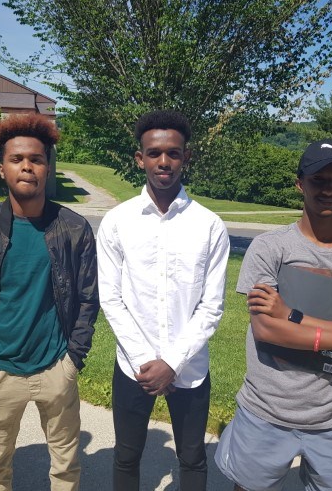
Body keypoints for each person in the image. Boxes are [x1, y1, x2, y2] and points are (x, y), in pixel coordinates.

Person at [215, 139, 332, 491]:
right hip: (265, 410)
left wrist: (292, 315)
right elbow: (267, 330)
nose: (329, 189)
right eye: (319, 180)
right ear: (300, 184)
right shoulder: (270, 247)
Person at [0, 113, 98, 491]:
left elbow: (88, 298)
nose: (26, 167)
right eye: (16, 159)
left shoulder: (74, 228)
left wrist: (73, 359)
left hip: (56, 368)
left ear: (48, 168)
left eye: (36, 159)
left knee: (66, 464)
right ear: (1, 167)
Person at [97, 110, 230, 490]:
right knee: (126, 456)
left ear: (186, 157)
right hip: (133, 366)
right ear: (140, 159)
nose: (164, 161)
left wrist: (171, 363)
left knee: (192, 458)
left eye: (173, 153)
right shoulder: (118, 221)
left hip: (189, 369)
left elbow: (211, 306)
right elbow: (111, 298)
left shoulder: (209, 226)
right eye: (154, 153)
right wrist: (147, 361)